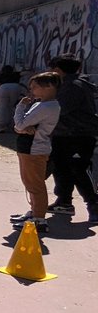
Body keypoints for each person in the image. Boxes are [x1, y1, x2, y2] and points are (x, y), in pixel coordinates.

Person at [46, 54, 98, 223]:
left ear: (58, 70)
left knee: (78, 169)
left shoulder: (72, 86)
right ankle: (64, 201)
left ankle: (94, 205)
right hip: (64, 135)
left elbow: (59, 109)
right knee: (60, 168)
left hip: (78, 135)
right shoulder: (68, 84)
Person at [9, 73, 62, 234]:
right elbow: (21, 127)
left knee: (35, 184)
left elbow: (20, 124)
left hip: (34, 149)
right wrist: (21, 127)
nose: (31, 90)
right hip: (28, 147)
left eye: (35, 87)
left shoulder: (46, 106)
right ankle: (34, 212)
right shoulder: (41, 104)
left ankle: (39, 218)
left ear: (49, 87)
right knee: (29, 182)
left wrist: (19, 108)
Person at [0, 66, 25, 133]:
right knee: (13, 107)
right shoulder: (16, 74)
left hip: (3, 88)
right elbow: (25, 73)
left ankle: (2, 126)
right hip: (15, 87)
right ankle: (14, 124)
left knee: (2, 108)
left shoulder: (1, 75)